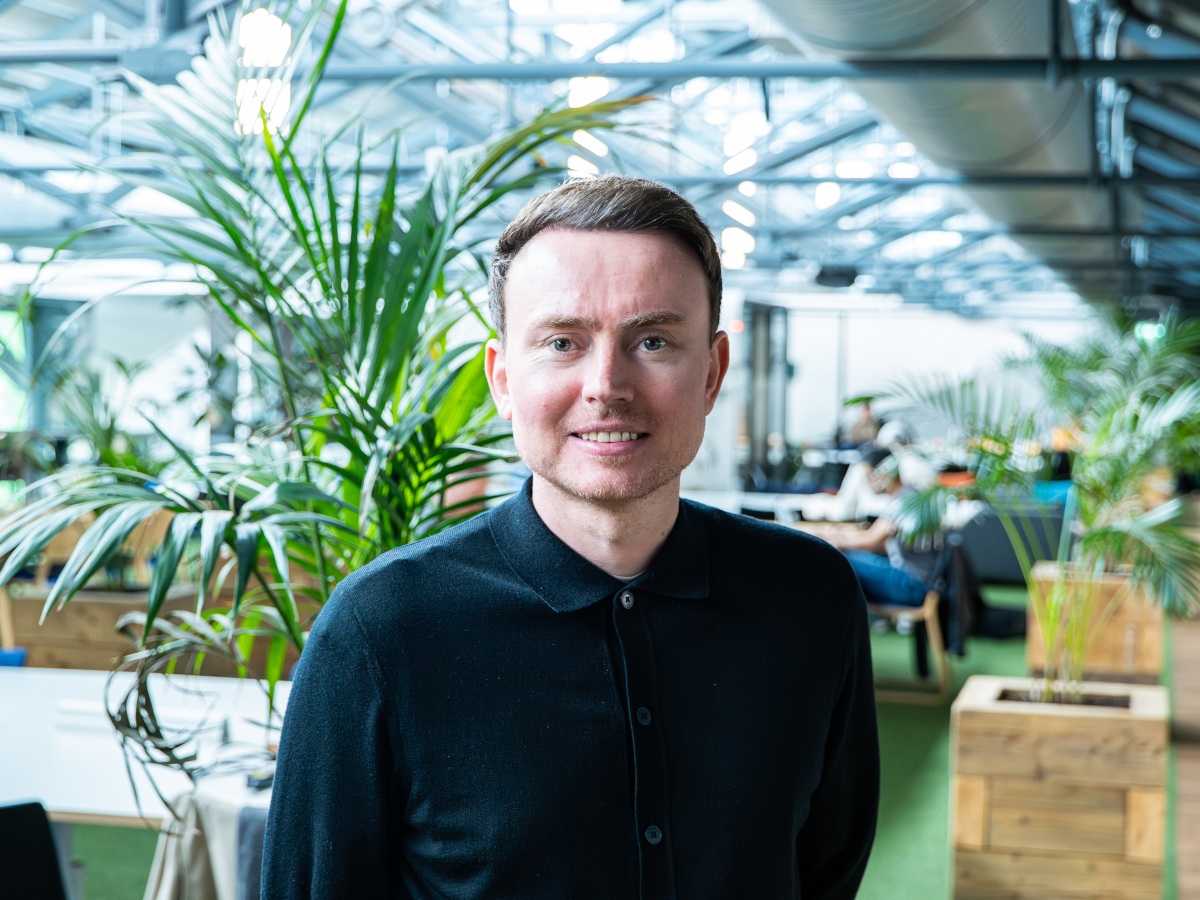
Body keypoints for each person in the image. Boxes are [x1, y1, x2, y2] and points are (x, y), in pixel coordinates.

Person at [261, 175, 879, 898]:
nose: (606, 385)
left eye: (652, 340)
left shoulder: (809, 599)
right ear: (502, 379)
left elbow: (826, 872)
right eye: (561, 342)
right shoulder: (380, 633)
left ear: (712, 374)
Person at [825, 447, 940, 607]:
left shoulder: (903, 502)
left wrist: (830, 541)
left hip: (911, 584)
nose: (867, 483)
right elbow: (877, 541)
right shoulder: (912, 495)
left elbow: (869, 540)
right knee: (850, 559)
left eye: (868, 477)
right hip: (921, 582)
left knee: (838, 559)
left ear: (883, 473)